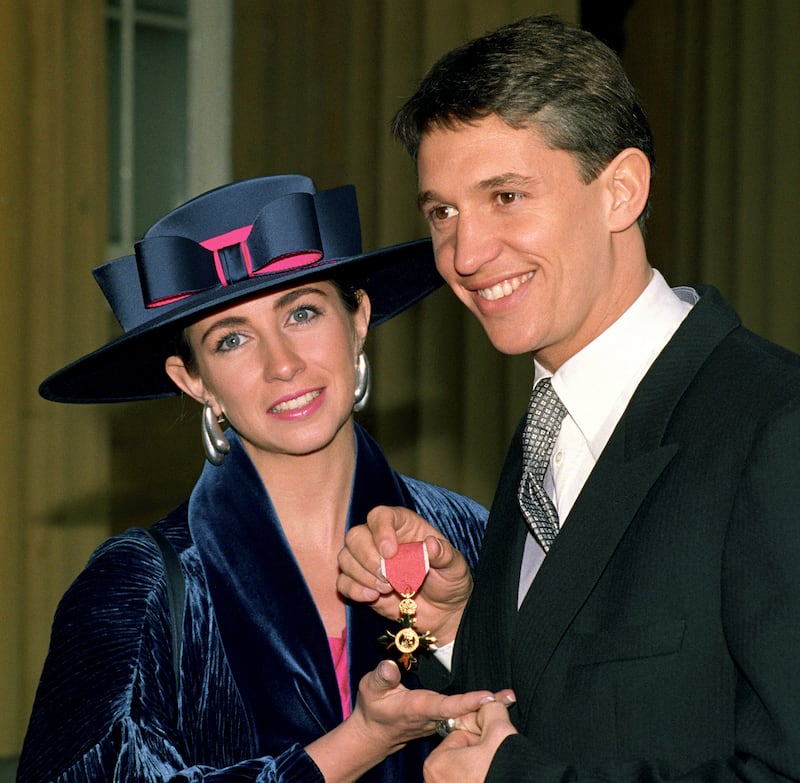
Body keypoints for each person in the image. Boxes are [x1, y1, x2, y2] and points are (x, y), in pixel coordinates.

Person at [337, 14, 800, 783]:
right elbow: (555, 704)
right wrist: (455, 626)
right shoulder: (546, 426)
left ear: (621, 190)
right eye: (442, 212)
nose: (465, 253)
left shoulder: (775, 426)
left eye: (507, 196)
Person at [18, 175, 508, 783]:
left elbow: (569, 740)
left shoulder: (474, 536)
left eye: (302, 312)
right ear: (193, 380)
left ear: (357, 318)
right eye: (231, 341)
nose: (282, 365)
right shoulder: (135, 587)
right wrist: (357, 744)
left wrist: (454, 636)